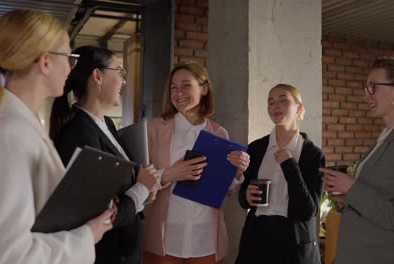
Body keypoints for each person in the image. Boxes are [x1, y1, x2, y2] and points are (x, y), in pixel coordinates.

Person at [0, 9, 113, 264]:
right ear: (45, 62)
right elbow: (5, 256)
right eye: (69, 56)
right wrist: (86, 236)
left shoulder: (21, 126)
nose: (71, 66)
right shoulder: (8, 135)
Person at [322, 57, 394, 264]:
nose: (366, 96)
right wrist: (348, 198)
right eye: (366, 88)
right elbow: (382, 200)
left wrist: (353, 188)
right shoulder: (387, 138)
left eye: (373, 87)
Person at [50, 45, 159, 264]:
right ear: (97, 76)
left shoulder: (106, 124)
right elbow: (98, 214)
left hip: (124, 249)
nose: (124, 81)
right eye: (120, 71)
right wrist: (141, 189)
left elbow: (118, 192)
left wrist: (144, 192)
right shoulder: (80, 135)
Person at [142, 61, 249, 263]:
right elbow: (140, 181)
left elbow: (225, 190)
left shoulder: (219, 132)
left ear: (204, 88)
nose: (178, 92)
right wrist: (171, 173)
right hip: (165, 235)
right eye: (173, 87)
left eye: (186, 85)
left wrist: (236, 173)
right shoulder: (154, 129)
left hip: (205, 236)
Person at [235, 84, 325, 264]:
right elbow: (243, 198)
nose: (275, 106)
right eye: (271, 102)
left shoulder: (313, 154)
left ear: (299, 108)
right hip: (257, 240)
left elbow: (308, 210)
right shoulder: (256, 148)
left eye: (283, 100)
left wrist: (289, 164)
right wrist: (246, 195)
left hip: (293, 245)